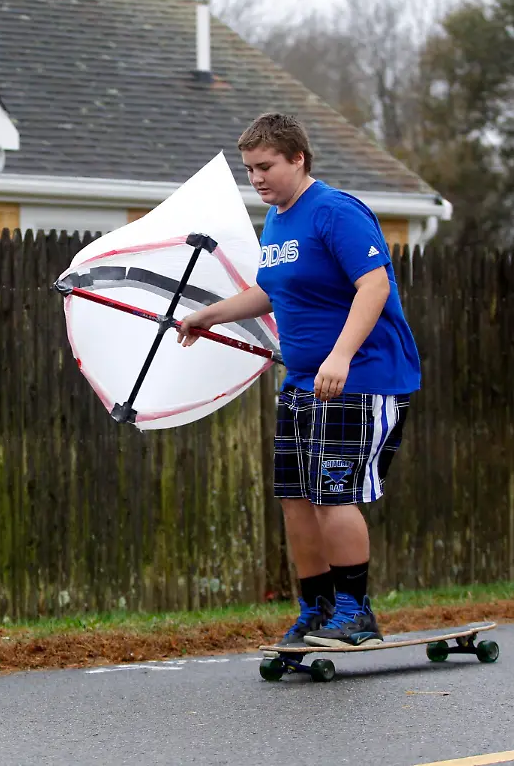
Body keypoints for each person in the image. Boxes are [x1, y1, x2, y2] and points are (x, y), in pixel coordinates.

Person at [177, 112, 421, 648]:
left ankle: (358, 614)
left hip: (360, 379)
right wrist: (208, 314)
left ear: (297, 158)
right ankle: (318, 610)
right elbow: (273, 292)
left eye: (265, 167)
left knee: (334, 495)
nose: (256, 179)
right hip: (303, 383)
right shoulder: (279, 222)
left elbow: (373, 287)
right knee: (296, 498)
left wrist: (339, 357)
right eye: (249, 170)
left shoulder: (335, 211)